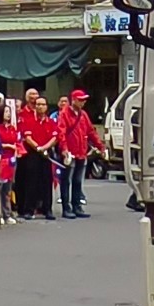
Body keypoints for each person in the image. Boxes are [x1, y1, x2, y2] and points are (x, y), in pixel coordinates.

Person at [56, 89, 96, 219]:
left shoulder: (83, 114)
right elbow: (61, 134)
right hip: (70, 152)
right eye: (80, 100)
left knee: (78, 181)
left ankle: (77, 206)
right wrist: (65, 150)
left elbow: (91, 131)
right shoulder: (64, 114)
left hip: (81, 151)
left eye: (84, 100)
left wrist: (100, 146)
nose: (83, 102)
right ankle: (66, 208)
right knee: (66, 180)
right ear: (73, 100)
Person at [17, 92, 57, 220]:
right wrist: (38, 148)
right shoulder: (29, 121)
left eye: (43, 104)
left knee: (46, 182)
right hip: (32, 154)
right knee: (31, 182)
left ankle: (47, 210)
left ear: (46, 107)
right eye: (38, 104)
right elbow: (27, 138)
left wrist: (45, 148)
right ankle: (29, 210)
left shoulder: (51, 122)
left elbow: (55, 138)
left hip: (46, 154)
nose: (40, 107)